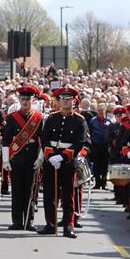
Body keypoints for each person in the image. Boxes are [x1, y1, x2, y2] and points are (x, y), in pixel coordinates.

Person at [37, 87, 91, 238]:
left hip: (68, 162)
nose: (65, 102)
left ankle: (68, 225)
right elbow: (44, 138)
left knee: (68, 195)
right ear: (58, 101)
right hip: (51, 160)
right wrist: (50, 155)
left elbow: (81, 142)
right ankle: (50, 224)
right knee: (49, 194)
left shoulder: (80, 120)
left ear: (74, 101)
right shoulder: (51, 118)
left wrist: (63, 157)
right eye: (62, 99)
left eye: (68, 99)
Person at [2, 85, 43, 231]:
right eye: (23, 98)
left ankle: (29, 221)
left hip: (32, 157)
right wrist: (5, 159)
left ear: (33, 100)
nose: (25, 101)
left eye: (28, 99)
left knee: (30, 191)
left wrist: (40, 158)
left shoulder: (38, 118)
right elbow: (6, 140)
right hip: (17, 158)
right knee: (17, 191)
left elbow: (43, 141)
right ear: (19, 100)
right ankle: (17, 221)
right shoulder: (12, 118)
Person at [88, 103, 110, 189]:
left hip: (106, 146)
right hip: (96, 145)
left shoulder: (109, 121)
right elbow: (89, 132)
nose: (101, 112)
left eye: (102, 110)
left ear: (105, 111)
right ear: (97, 111)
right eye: (99, 110)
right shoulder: (93, 120)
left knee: (105, 165)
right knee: (97, 165)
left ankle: (104, 184)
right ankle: (97, 183)